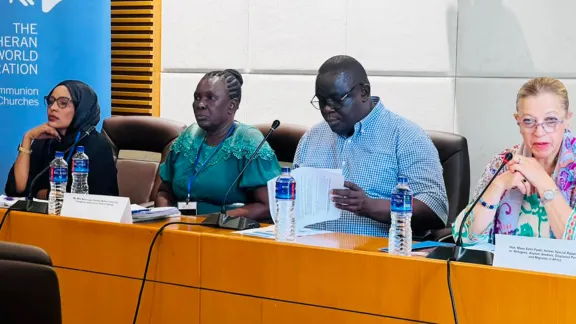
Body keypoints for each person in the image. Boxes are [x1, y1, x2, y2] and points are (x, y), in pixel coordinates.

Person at [294, 55, 448, 238]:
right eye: (322, 101)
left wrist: (372, 206)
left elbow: (435, 208)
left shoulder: (406, 136)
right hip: (310, 255)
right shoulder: (311, 138)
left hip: (377, 258)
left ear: (364, 93)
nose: (327, 108)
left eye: (336, 100)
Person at [454, 77, 576, 244]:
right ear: (518, 121)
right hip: (505, 269)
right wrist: (498, 185)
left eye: (551, 120)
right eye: (528, 121)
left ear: (567, 119)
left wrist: (544, 183)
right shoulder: (502, 163)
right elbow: (464, 238)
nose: (539, 132)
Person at [155, 69, 281, 219]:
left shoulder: (248, 141)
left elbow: (269, 205)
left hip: (226, 232)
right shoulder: (188, 137)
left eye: (210, 98)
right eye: (197, 97)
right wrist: (166, 218)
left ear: (231, 106)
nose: (200, 104)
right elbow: (164, 192)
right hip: (179, 228)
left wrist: (212, 220)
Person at [5, 80, 119, 198]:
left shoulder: (96, 145)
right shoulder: (44, 141)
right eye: (51, 101)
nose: (53, 108)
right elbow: (18, 189)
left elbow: (97, 199)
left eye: (63, 103)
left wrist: (42, 194)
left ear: (81, 108)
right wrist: (27, 138)